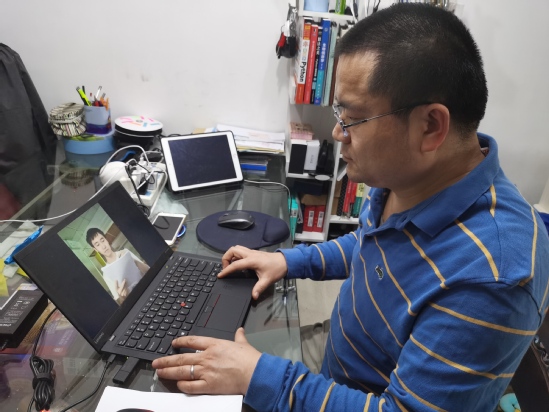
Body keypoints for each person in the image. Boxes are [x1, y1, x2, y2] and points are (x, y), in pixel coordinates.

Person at [152, 4, 549, 411]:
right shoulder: (410, 177)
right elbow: (369, 243)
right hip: (339, 359)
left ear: (430, 126)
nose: (338, 132)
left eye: (353, 118)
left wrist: (257, 376)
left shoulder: (493, 277)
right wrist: (287, 261)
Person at [86, 227, 149, 304]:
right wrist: (122, 297)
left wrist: (134, 261)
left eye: (102, 240)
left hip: (148, 287)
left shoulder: (125, 252)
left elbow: (148, 270)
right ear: (96, 249)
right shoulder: (106, 275)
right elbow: (120, 302)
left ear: (106, 240)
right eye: (98, 245)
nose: (103, 246)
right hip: (137, 301)